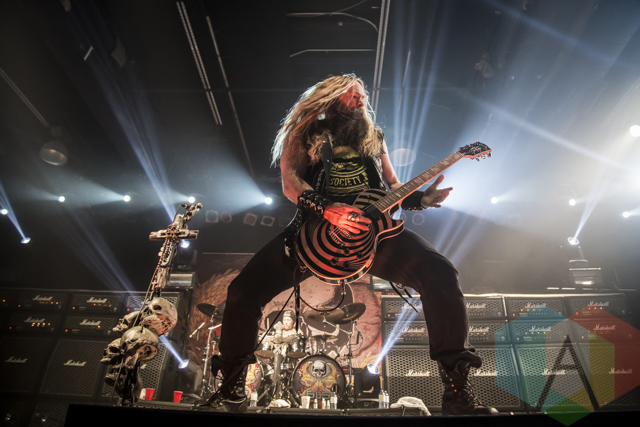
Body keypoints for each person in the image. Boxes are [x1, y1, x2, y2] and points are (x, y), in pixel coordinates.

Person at [208, 74, 497, 415]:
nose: (361, 100)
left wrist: (421, 199)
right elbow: (290, 183)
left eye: (362, 95)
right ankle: (232, 387)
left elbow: (393, 185)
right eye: (352, 94)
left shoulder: (374, 137)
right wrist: (328, 209)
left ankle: (457, 392)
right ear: (330, 99)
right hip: (314, 231)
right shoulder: (304, 133)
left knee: (441, 273)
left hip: (373, 232)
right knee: (243, 291)